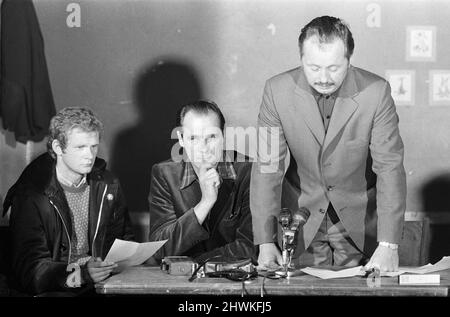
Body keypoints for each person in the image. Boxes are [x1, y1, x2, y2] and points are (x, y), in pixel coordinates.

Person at [250, 16, 406, 272]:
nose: (323, 78)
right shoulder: (276, 92)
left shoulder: (377, 93)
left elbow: (390, 167)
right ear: (301, 59)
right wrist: (265, 241)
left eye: (334, 68)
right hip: (300, 220)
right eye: (313, 67)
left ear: (349, 59)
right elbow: (267, 168)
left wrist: (389, 245)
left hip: (360, 220)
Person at [3, 107, 134, 296]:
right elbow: (31, 272)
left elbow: (124, 242)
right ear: (58, 148)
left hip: (102, 285)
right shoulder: (31, 193)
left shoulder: (108, 184)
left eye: (93, 146)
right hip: (56, 289)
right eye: (80, 147)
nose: (89, 155)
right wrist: (81, 275)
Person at [148, 100, 256, 263]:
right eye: (193, 138)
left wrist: (195, 264)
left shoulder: (248, 171)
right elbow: (159, 249)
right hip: (180, 283)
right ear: (181, 139)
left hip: (234, 280)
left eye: (211, 137)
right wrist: (205, 203)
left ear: (223, 135)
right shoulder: (165, 174)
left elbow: (250, 247)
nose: (203, 148)